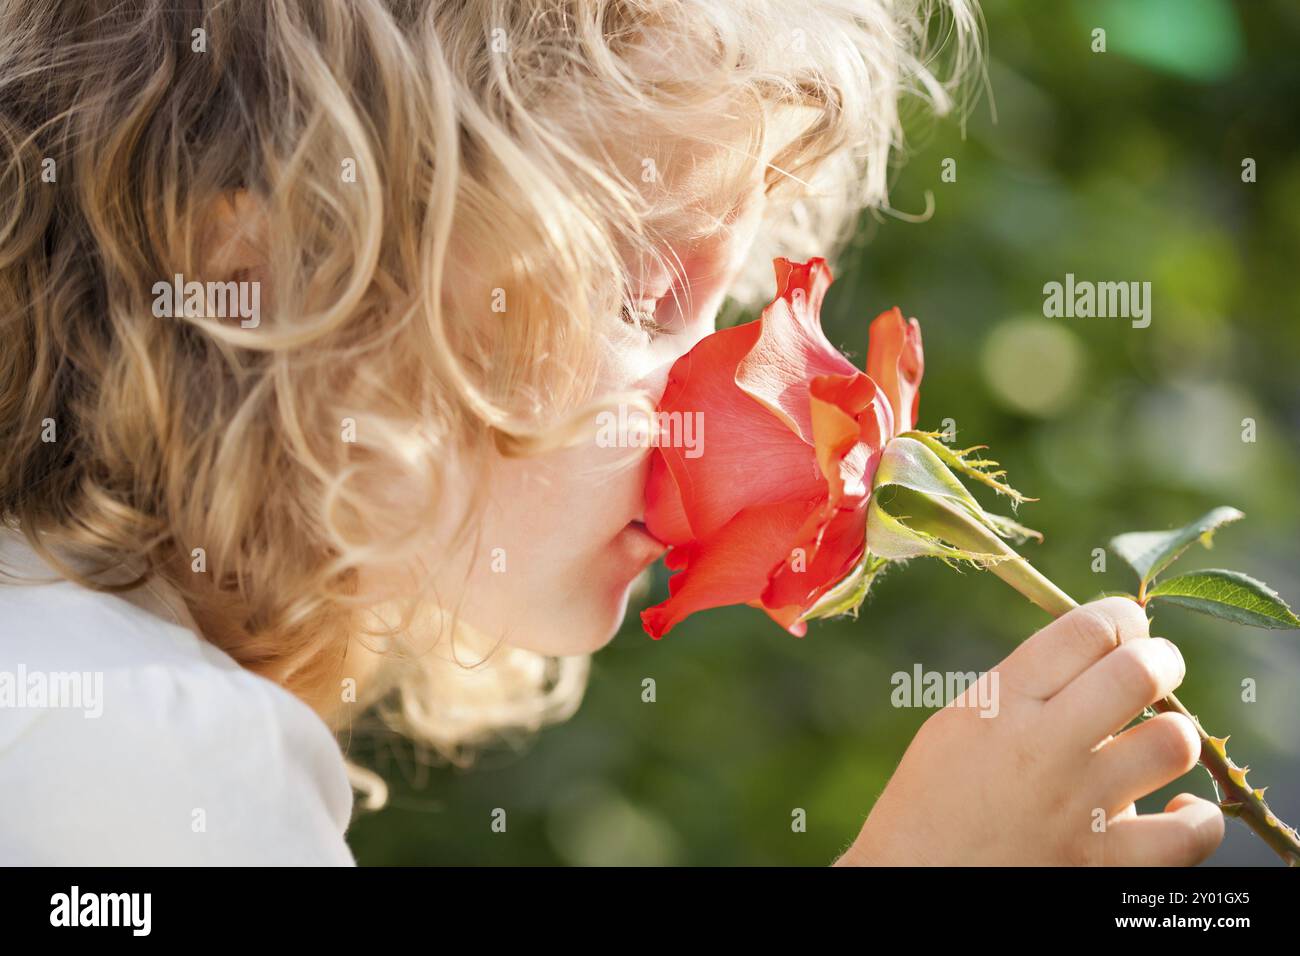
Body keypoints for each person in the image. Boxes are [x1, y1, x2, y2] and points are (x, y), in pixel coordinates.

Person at [0, 0, 1222, 865]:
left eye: (726, 301)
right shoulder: (144, 749)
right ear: (269, 281)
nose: (714, 383)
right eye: (641, 295)